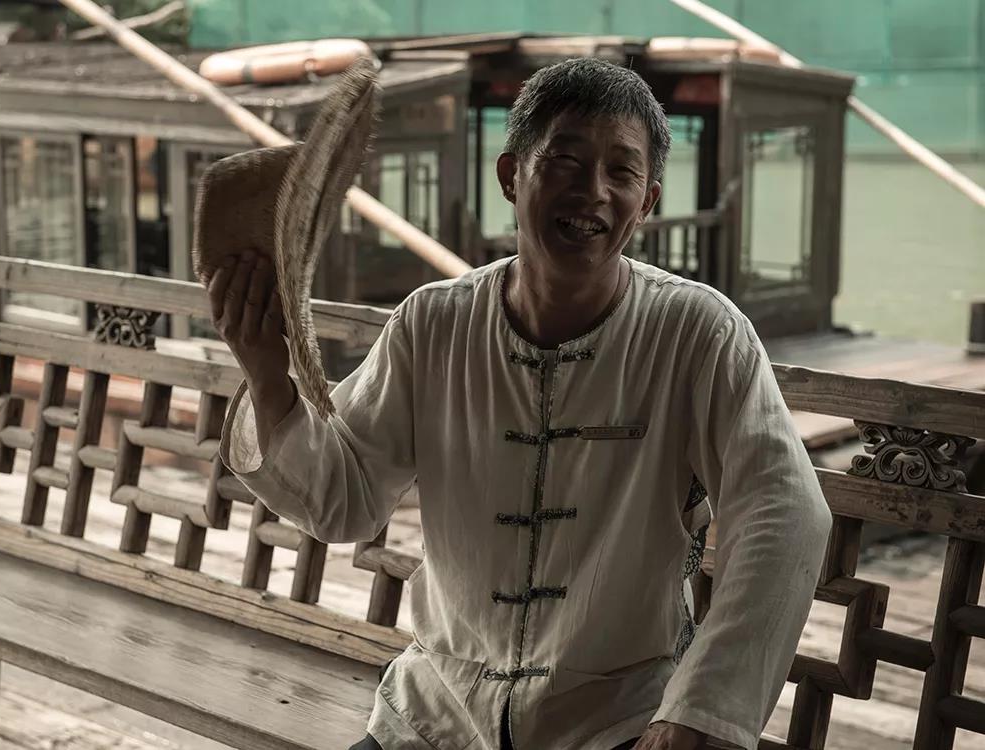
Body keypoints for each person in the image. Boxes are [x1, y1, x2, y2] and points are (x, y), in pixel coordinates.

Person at [211, 58, 833, 750]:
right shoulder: (432, 323)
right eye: (566, 161)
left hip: (616, 718)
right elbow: (343, 500)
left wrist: (697, 710)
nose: (593, 192)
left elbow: (785, 513)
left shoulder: (697, 333)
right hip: (439, 709)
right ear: (512, 176)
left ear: (648, 201)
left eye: (621, 172)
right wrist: (267, 374)